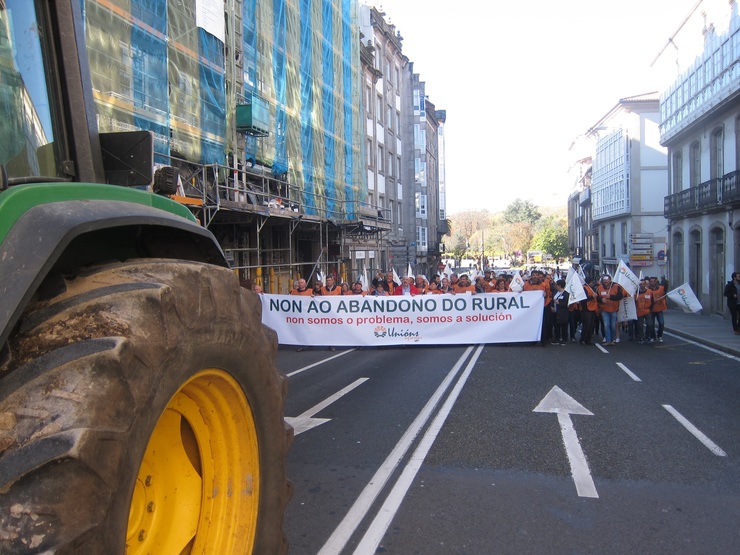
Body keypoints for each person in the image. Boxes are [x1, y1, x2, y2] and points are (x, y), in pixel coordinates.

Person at [596, 274, 625, 346]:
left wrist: (610, 297)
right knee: (606, 325)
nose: (605, 282)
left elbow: (620, 296)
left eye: (606, 280)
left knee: (613, 325)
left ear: (610, 280)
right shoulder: (599, 288)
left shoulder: (616, 287)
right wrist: (601, 299)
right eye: (604, 281)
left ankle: (612, 339)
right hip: (604, 309)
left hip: (614, 309)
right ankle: (608, 340)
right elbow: (597, 297)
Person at [578, 280, 598, 345]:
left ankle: (588, 340)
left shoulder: (592, 289)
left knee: (591, 326)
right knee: (586, 325)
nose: (592, 283)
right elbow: (583, 299)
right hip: (586, 310)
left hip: (592, 309)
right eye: (591, 282)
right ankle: (583, 339)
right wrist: (592, 297)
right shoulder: (584, 288)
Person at [648, 276, 667, 342]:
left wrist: (662, 299)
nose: (652, 283)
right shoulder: (647, 289)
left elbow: (664, 296)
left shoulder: (661, 288)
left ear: (656, 282)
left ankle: (659, 335)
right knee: (651, 324)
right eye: (651, 281)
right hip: (651, 310)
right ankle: (653, 336)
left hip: (659, 309)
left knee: (661, 323)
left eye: (654, 281)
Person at [551, 279, 570, 345]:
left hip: (563, 313)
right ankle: (557, 339)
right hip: (555, 312)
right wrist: (552, 307)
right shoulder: (555, 292)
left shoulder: (566, 294)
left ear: (560, 285)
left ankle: (564, 339)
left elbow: (567, 303)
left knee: (564, 326)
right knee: (556, 326)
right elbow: (552, 300)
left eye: (556, 285)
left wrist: (559, 303)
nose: (555, 286)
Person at [634, 279, 653, 344]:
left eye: (643, 284)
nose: (642, 285)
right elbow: (632, 303)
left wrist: (650, 309)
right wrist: (635, 300)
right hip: (639, 311)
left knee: (649, 324)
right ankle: (641, 337)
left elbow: (652, 301)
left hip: (647, 311)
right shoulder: (636, 293)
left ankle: (647, 336)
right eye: (640, 284)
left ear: (645, 284)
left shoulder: (650, 292)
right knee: (640, 325)